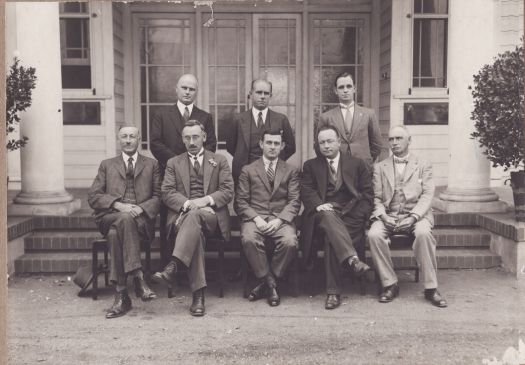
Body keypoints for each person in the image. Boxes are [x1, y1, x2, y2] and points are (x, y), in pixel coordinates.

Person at [153, 120, 234, 316]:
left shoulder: (220, 160)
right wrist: (190, 204)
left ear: (204, 137)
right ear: (182, 139)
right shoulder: (174, 163)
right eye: (187, 137)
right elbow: (167, 192)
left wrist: (204, 201)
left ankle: (174, 265)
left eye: (196, 137)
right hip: (183, 217)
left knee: (196, 216)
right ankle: (198, 296)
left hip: (212, 217)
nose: (192, 141)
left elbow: (227, 190)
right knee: (195, 230)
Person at [367, 125, 447, 307]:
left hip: (416, 216)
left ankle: (431, 288)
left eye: (399, 138)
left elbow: (428, 194)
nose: (394, 143)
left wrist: (413, 217)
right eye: (391, 139)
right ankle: (390, 284)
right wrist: (383, 216)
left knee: (424, 234)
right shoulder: (380, 167)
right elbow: (376, 197)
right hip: (389, 215)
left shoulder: (423, 164)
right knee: (373, 235)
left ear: (409, 141)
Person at [88, 126, 160, 319]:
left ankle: (121, 295)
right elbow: (93, 197)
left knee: (114, 234)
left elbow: (159, 196)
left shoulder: (152, 164)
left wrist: (142, 208)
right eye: (124, 137)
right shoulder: (107, 165)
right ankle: (138, 276)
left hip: (141, 221)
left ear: (139, 139)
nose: (128, 140)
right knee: (124, 219)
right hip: (111, 215)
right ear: (118, 139)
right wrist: (118, 205)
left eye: (132, 136)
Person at [300, 125, 373, 310]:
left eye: (330, 141)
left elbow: (367, 196)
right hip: (321, 214)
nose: (326, 145)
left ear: (339, 142)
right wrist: (318, 205)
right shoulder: (310, 166)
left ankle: (333, 293)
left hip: (350, 215)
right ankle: (353, 261)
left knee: (332, 238)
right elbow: (307, 190)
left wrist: (359, 216)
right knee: (327, 216)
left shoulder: (357, 164)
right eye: (322, 142)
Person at [235, 131, 300, 307]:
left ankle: (266, 282)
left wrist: (279, 220)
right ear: (261, 144)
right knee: (249, 238)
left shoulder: (291, 170)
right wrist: (257, 219)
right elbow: (240, 201)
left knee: (290, 241)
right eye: (269, 142)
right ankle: (271, 284)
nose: (272, 147)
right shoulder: (248, 170)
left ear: (282, 146)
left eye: (276, 143)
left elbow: (294, 201)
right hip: (255, 218)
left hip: (280, 219)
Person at [226, 79, 296, 184]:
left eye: (266, 93)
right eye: (259, 92)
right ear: (251, 94)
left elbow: (290, 147)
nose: (262, 96)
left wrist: (274, 161)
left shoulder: (281, 119)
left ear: (270, 96)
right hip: (244, 173)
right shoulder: (238, 119)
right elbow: (231, 146)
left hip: (273, 173)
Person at [314, 72, 383, 168]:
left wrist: (366, 158)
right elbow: (318, 146)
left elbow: (377, 144)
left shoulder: (368, 114)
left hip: (362, 168)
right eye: (341, 87)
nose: (345, 90)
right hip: (336, 169)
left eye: (349, 86)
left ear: (354, 88)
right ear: (335, 91)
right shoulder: (326, 117)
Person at [150, 73, 217, 171]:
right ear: (176, 89)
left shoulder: (205, 117)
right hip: (169, 170)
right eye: (184, 88)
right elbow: (155, 143)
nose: (187, 92)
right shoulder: (161, 115)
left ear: (196, 92)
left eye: (192, 89)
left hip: (196, 172)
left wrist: (194, 162)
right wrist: (177, 162)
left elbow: (211, 144)